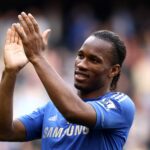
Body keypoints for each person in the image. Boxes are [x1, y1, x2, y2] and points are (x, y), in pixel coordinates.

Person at [0, 12, 135, 150]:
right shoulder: (52, 108)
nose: (82, 64)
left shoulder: (120, 104)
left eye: (94, 60)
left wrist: (37, 57)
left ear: (113, 70)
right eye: (80, 56)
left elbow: (73, 111)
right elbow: (5, 132)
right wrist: (10, 72)